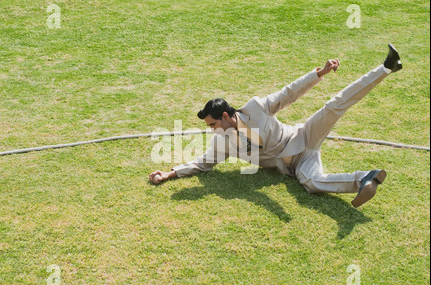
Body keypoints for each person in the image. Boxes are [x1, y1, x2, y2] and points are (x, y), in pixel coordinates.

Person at [149, 44, 402, 207]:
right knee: (312, 183)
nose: (212, 129)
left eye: (213, 123)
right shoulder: (222, 142)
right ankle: (363, 179)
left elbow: (289, 93)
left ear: (226, 116)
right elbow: (202, 164)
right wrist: (170, 173)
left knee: (333, 107)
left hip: (302, 137)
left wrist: (320, 73)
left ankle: (386, 68)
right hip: (297, 164)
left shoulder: (256, 107)